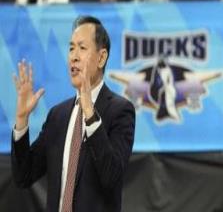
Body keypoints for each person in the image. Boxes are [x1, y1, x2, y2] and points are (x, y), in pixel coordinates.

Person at [11, 15, 136, 211]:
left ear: (101, 58)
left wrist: (90, 114)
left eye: (82, 48)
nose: (74, 56)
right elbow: (23, 176)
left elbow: (111, 176)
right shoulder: (57, 116)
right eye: (71, 48)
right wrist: (21, 120)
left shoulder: (120, 111)